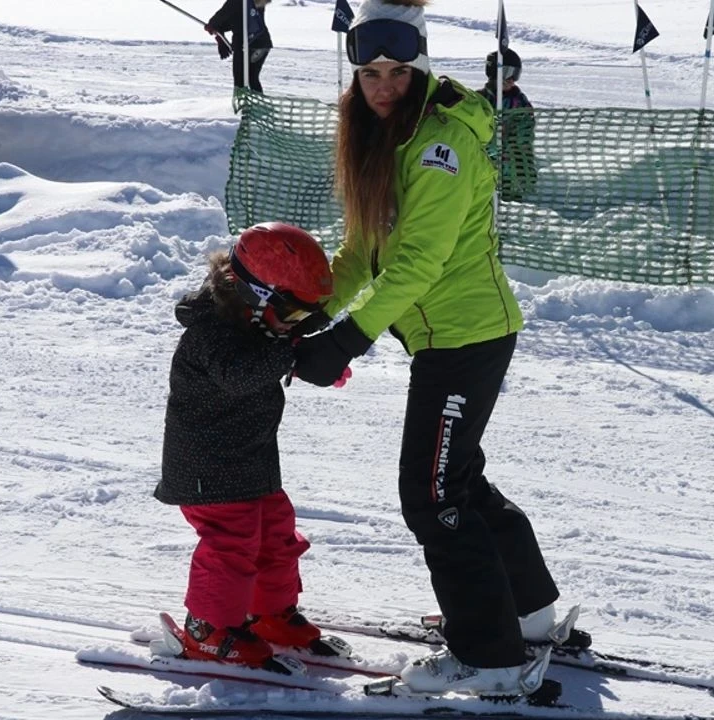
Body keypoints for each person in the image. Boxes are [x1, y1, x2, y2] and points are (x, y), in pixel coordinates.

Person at [292, 0, 565, 698]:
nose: (384, 86)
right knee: (459, 478)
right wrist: (306, 313)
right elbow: (362, 250)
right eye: (371, 74)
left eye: (398, 72)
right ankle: (529, 616)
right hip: (448, 334)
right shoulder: (378, 136)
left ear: (420, 68)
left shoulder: (440, 145)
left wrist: (348, 338)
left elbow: (417, 263)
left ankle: (491, 657)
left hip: (465, 334)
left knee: (433, 493)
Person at [155, 222, 336, 673]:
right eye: (290, 315)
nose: (293, 325)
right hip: (207, 470)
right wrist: (292, 350)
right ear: (256, 297)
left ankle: (268, 613)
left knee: (276, 529)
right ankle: (208, 629)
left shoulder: (256, 323)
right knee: (231, 542)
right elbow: (240, 375)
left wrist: (313, 349)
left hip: (248, 460)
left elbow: (288, 337)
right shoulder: (209, 333)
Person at [478, 49, 537, 202]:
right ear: (494, 73)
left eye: (515, 74)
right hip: (482, 172)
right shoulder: (479, 101)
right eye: (508, 72)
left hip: (512, 175)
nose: (512, 79)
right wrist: (492, 142)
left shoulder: (520, 103)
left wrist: (525, 170)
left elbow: (524, 136)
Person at [205, 0, 273, 94]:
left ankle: (244, 101)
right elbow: (235, 20)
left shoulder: (240, 2)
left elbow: (224, 14)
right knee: (251, 77)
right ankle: (254, 101)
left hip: (248, 45)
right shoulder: (248, 3)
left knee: (241, 78)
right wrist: (219, 32)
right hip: (261, 43)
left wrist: (212, 25)